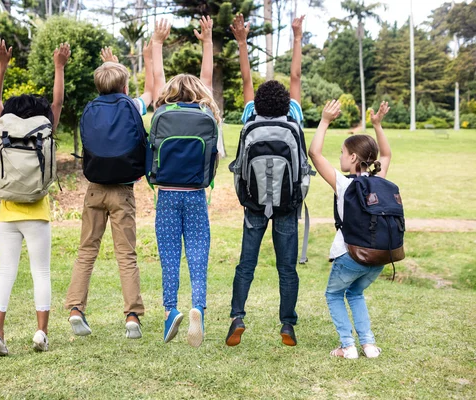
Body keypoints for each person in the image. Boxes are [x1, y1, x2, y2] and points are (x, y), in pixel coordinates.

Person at [64, 42, 154, 340]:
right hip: (123, 191)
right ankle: (132, 316)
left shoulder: (92, 107)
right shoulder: (132, 105)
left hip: (95, 188)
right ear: (125, 85)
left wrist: (111, 67)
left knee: (87, 250)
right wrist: (148, 55)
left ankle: (76, 308)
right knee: (126, 254)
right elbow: (150, 96)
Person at [226, 14, 305, 347]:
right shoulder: (294, 116)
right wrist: (297, 36)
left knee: (247, 263)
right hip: (287, 204)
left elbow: (246, 79)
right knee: (286, 268)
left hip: (254, 202)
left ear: (257, 102)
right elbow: (296, 75)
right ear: (286, 102)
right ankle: (287, 325)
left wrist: (242, 42)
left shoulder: (249, 116)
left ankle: (237, 317)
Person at [0, 38, 70, 355]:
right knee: (41, 273)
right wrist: (58, 67)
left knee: (5, 273)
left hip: (7, 214)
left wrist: (2, 66)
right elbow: (58, 103)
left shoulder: (3, 126)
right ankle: (40, 333)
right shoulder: (45, 126)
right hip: (37, 212)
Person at [151, 17, 222, 348]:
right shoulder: (207, 117)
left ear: (170, 93)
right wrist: (207, 42)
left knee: (169, 257)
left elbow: (158, 81)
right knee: (198, 255)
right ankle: (198, 309)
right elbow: (205, 79)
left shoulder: (162, 113)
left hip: (166, 195)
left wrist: (157, 45)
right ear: (200, 93)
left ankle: (170, 311)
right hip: (196, 195)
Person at [308, 100, 392, 359]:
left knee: (334, 294)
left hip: (351, 253)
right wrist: (377, 125)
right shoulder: (379, 181)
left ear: (353, 157)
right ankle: (368, 345)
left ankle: (348, 346)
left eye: (344, 153)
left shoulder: (345, 185)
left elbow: (314, 154)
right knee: (355, 293)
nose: (341, 158)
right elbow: (386, 155)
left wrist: (324, 120)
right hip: (380, 255)